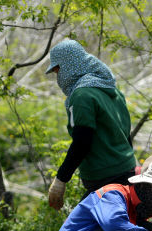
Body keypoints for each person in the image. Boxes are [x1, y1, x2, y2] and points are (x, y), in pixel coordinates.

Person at [44, 39, 137, 209]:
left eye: (58, 71)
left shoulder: (81, 96)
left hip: (105, 179)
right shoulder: (112, 90)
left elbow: (82, 142)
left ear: (69, 66)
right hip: (128, 172)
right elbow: (126, 133)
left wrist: (61, 180)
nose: (58, 78)